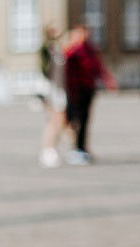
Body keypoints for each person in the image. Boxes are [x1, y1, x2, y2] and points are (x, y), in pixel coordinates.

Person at [63, 24, 115, 165]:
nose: (85, 35)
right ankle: (76, 148)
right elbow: (66, 74)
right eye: (81, 33)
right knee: (74, 120)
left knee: (84, 119)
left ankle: (82, 148)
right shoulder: (72, 52)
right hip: (75, 90)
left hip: (87, 89)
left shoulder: (90, 49)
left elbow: (98, 66)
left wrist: (107, 80)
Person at [36, 25, 68, 167]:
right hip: (51, 89)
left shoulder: (59, 48)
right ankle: (47, 150)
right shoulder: (47, 49)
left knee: (60, 121)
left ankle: (53, 148)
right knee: (53, 121)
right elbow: (44, 69)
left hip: (59, 89)